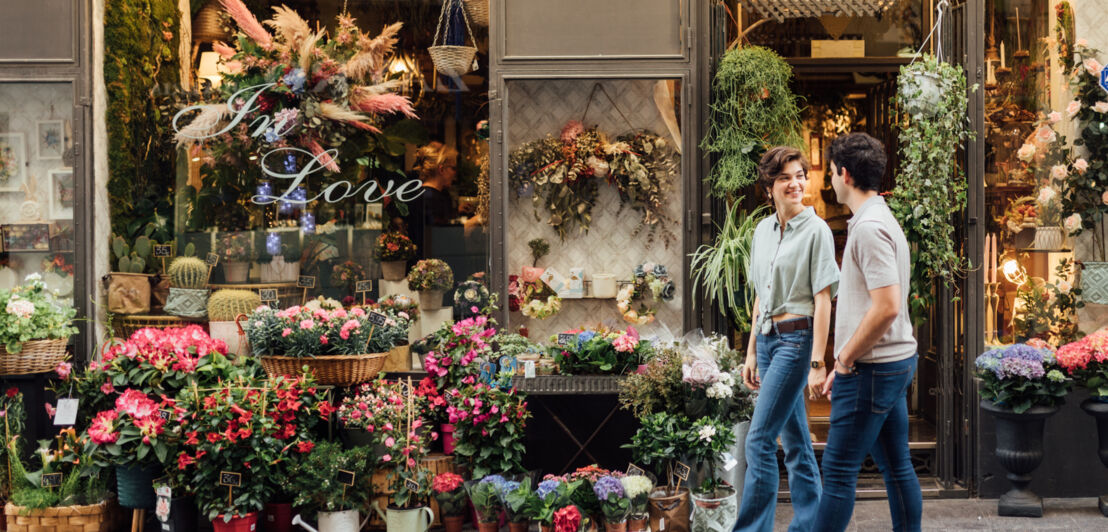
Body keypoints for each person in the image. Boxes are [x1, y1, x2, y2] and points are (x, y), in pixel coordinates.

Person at [816, 132, 921, 532]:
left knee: (838, 470)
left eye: (831, 172)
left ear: (844, 174)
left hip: (871, 369)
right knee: (897, 465)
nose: (831, 179)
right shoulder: (878, 219)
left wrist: (843, 358)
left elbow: (887, 306)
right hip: (886, 365)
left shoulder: (869, 228)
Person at [736, 146, 839, 532]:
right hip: (766, 341)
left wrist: (818, 362)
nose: (795, 183)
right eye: (785, 178)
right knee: (795, 442)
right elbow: (761, 295)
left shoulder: (817, 231)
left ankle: (751, 529)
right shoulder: (762, 231)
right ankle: (813, 524)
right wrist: (749, 352)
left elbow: (823, 299)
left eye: (800, 175)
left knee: (758, 441)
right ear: (769, 187)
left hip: (796, 343)